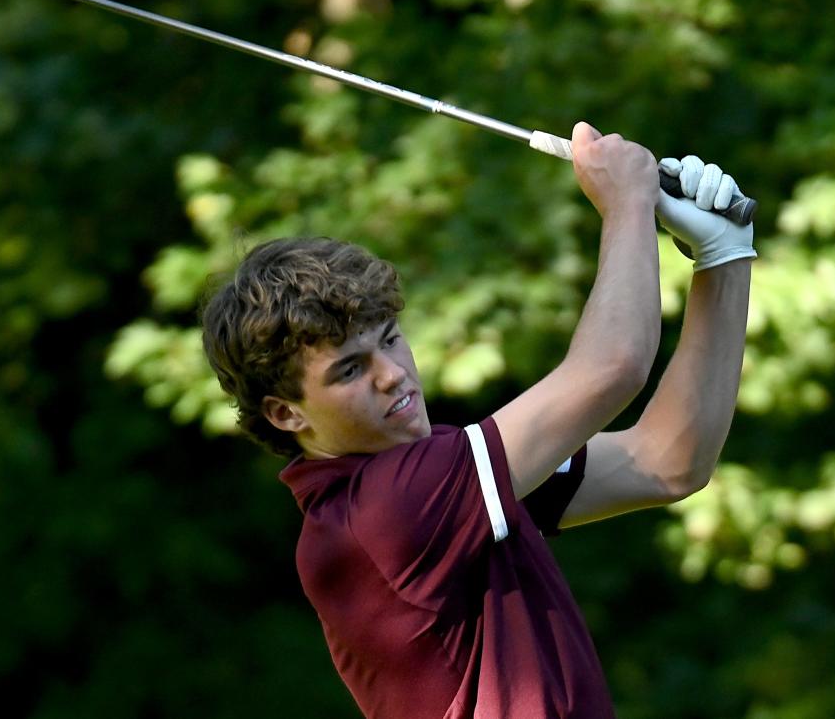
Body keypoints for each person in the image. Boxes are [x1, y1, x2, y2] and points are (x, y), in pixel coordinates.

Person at [200, 122, 755, 718]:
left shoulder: (437, 473)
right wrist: (627, 201)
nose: (392, 374)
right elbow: (613, 366)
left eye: (390, 339)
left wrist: (723, 257)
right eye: (349, 371)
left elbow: (667, 461)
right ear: (286, 414)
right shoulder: (384, 510)